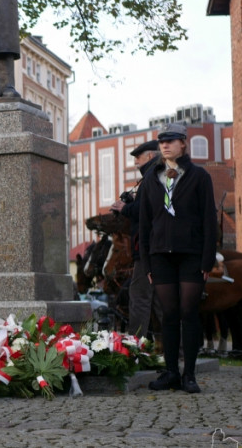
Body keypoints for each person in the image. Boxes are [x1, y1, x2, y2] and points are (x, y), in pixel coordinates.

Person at [139, 122, 218, 394]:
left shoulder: (199, 176)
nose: (165, 145)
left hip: (191, 255)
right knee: (169, 315)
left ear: (183, 143)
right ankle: (171, 372)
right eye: (162, 141)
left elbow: (210, 220)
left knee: (188, 313)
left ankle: (190, 375)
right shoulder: (151, 178)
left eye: (171, 140)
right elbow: (144, 224)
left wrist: (207, 260)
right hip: (160, 256)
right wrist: (147, 262)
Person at [108, 139, 162, 338]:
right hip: (155, 246)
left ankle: (135, 344)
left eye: (138, 158)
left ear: (149, 156)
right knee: (157, 300)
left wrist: (125, 208)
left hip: (146, 247)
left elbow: (147, 210)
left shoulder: (152, 176)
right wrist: (131, 201)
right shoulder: (158, 174)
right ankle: (175, 348)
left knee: (138, 296)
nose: (136, 163)